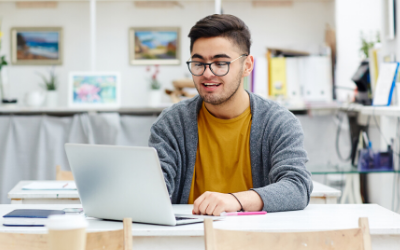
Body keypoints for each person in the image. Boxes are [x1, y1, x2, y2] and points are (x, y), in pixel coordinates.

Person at [149, 14, 313, 216]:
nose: (208, 73)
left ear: (247, 66)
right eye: (198, 63)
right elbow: (155, 188)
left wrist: (234, 200)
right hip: (188, 238)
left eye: (220, 63)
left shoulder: (278, 122)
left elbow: (297, 187)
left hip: (258, 239)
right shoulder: (171, 123)